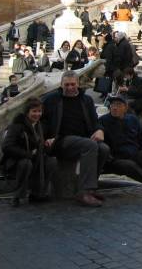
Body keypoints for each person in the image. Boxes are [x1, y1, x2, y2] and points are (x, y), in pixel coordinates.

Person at [41, 71, 110, 207]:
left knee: (104, 149)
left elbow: (95, 121)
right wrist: (46, 138)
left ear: (78, 84)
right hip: (60, 140)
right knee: (89, 145)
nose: (70, 88)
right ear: (61, 85)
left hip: (83, 139)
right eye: (66, 85)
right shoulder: (51, 100)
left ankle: (90, 188)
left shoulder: (86, 100)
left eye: (73, 84)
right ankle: (84, 192)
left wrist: (99, 130)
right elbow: (42, 121)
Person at [0, 98, 57, 206]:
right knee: (26, 163)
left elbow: (39, 144)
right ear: (27, 112)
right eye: (34, 111)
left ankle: (38, 193)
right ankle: (17, 195)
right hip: (16, 160)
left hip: (34, 158)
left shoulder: (40, 126)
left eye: (39, 111)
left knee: (51, 162)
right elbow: (7, 147)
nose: (37, 114)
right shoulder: (16, 126)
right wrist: (29, 154)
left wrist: (46, 143)